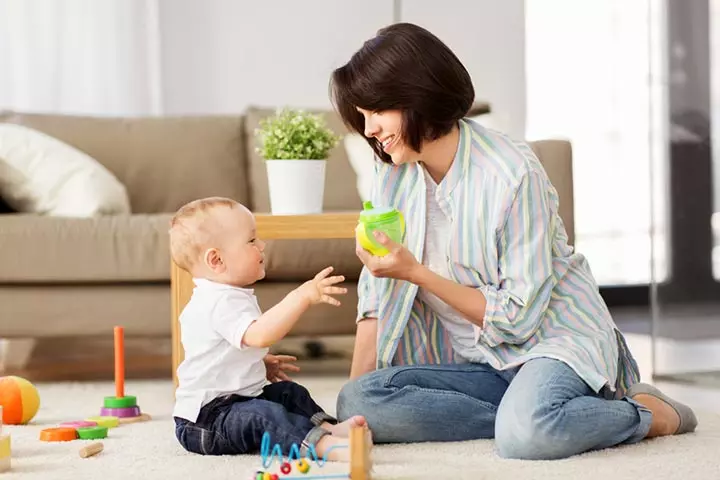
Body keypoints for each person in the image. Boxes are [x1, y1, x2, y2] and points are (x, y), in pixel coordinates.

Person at [329, 22, 697, 460]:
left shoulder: (512, 172)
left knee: (527, 436)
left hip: (551, 344)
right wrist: (344, 424)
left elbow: (519, 318)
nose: (369, 129)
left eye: (376, 112)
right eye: (363, 116)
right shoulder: (392, 172)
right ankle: (539, 411)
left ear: (416, 96)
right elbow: (377, 296)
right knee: (358, 401)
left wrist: (417, 274)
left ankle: (648, 414)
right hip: (478, 363)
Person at [169, 197, 368, 460]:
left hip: (236, 401)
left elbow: (225, 351)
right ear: (216, 260)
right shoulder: (218, 301)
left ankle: (327, 427)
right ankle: (321, 447)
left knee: (287, 393)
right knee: (262, 416)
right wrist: (300, 297)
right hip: (206, 421)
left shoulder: (227, 295)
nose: (261, 245)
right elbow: (261, 334)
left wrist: (258, 363)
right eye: (251, 241)